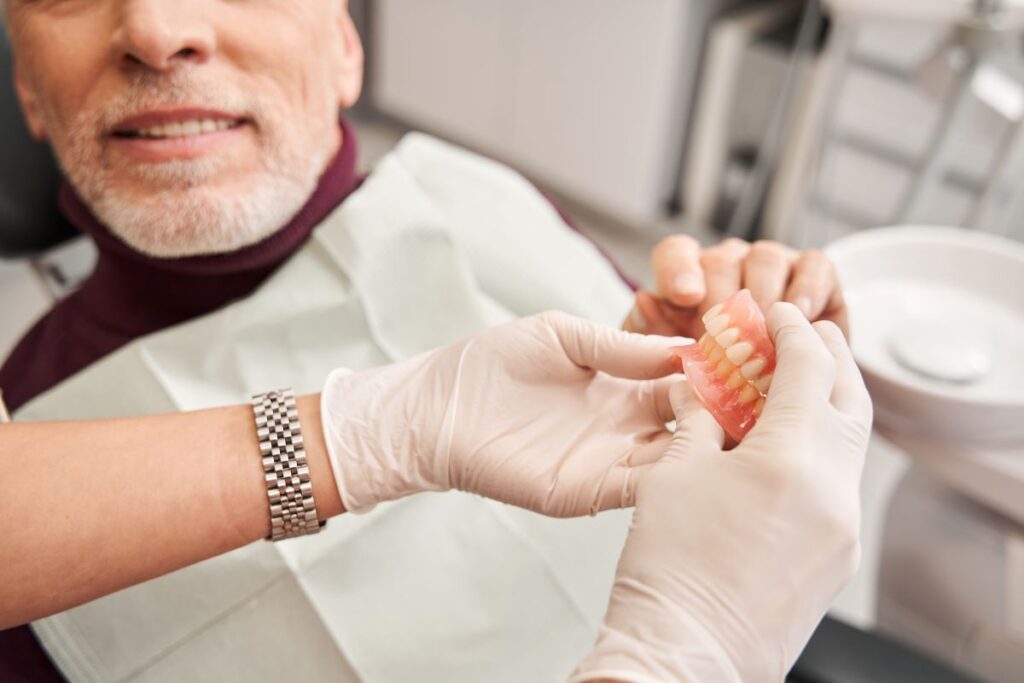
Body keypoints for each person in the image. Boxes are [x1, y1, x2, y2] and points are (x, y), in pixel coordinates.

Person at [0, 0, 861, 680]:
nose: (156, 28)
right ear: (29, 94)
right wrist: (688, 654)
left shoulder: (474, 203)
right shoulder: (36, 431)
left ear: (346, 45)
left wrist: (745, 389)